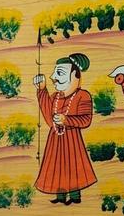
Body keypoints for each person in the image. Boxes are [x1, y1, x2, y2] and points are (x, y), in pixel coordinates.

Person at [32, 52, 96, 205]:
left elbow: (86, 120)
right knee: (56, 166)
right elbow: (49, 119)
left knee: (73, 166)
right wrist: (42, 90)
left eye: (59, 73)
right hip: (55, 141)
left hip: (72, 141)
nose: (53, 77)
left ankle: (74, 196)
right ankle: (60, 196)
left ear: (75, 76)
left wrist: (66, 120)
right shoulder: (55, 97)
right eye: (54, 73)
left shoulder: (82, 96)